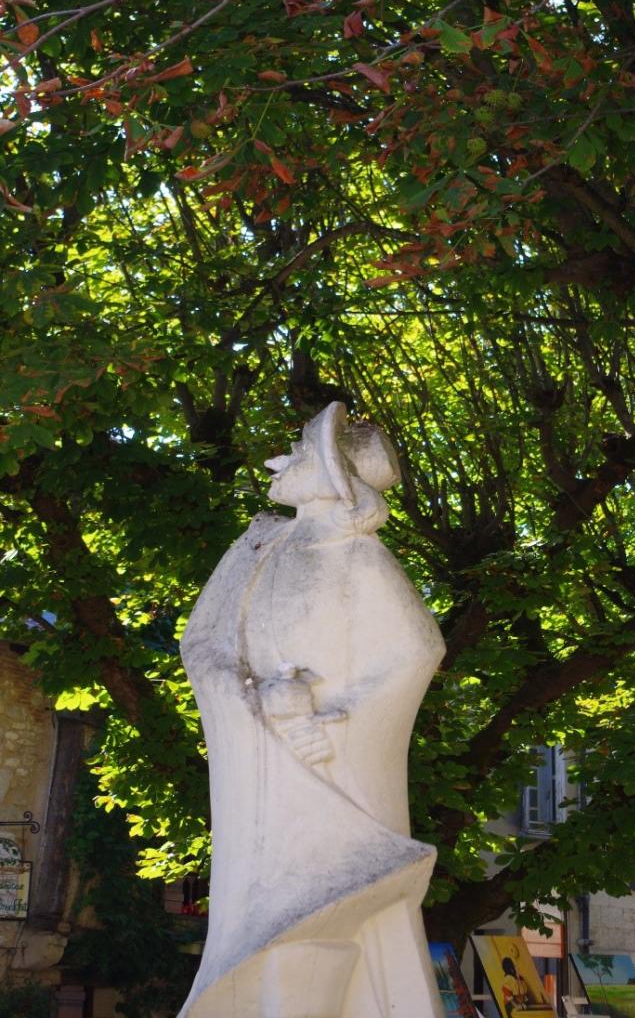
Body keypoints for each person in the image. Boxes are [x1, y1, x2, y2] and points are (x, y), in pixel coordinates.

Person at [178, 403, 446, 1018]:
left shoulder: (362, 559)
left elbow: (416, 652)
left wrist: (336, 723)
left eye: (296, 453)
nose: (277, 460)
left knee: (324, 905)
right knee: (266, 913)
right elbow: (202, 642)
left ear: (333, 477)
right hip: (258, 773)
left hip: (332, 772)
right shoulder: (254, 547)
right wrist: (253, 699)